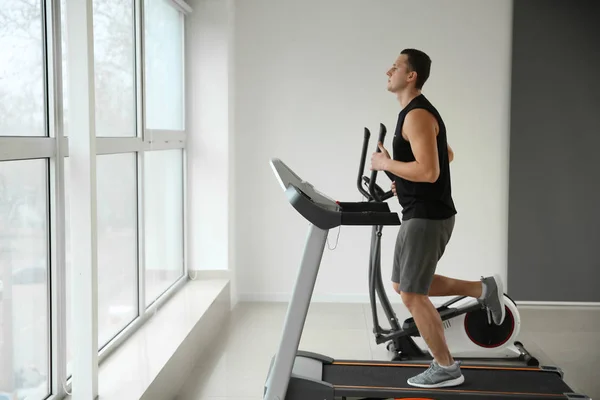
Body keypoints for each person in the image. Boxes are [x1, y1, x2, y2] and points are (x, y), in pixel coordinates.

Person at [369, 48, 506, 388]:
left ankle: (446, 368)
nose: (389, 70)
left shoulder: (416, 115)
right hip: (420, 211)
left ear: (411, 75)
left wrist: (388, 165)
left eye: (396, 66)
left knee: (413, 295)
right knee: (405, 285)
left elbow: (430, 170)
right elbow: (446, 153)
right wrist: (402, 177)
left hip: (427, 217)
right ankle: (482, 288)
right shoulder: (413, 115)